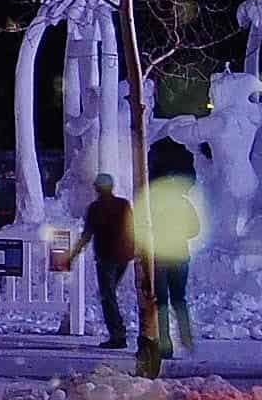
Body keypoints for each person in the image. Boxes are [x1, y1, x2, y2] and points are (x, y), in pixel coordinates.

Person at [144, 141, 202, 357]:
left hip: (160, 256)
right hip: (179, 255)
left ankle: (165, 343)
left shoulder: (155, 205)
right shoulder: (184, 203)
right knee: (180, 299)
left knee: (161, 301)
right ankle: (186, 339)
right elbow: (195, 229)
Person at [84, 171, 135, 349]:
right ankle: (119, 330)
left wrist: (72, 255)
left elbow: (87, 235)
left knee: (108, 296)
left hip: (106, 256)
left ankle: (118, 334)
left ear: (97, 188)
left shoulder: (95, 208)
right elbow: (132, 228)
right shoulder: (123, 205)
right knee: (109, 294)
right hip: (124, 255)